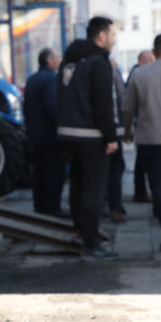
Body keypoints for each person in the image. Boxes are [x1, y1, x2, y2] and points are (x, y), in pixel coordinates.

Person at [57, 17, 123, 259]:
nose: (114, 41)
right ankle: (92, 244)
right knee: (94, 190)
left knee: (77, 185)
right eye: (113, 35)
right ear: (102, 36)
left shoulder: (68, 62)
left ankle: (80, 232)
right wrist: (111, 137)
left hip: (68, 134)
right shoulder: (100, 64)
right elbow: (103, 105)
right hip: (91, 136)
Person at [122, 33, 161, 251]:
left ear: (154, 50)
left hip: (150, 138)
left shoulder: (140, 74)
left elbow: (128, 107)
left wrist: (128, 130)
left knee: (159, 186)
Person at [23, 47, 65, 216]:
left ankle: (39, 206)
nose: (59, 60)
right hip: (50, 137)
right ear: (49, 60)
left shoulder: (32, 79)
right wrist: (61, 128)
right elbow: (52, 107)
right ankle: (52, 208)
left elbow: (26, 107)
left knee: (39, 173)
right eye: (57, 57)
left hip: (35, 136)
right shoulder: (51, 80)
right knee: (53, 174)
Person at [128, 50, 154, 204]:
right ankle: (141, 191)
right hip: (142, 123)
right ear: (142, 60)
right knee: (142, 160)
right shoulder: (138, 74)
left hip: (143, 123)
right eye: (150, 58)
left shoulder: (139, 73)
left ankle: (141, 190)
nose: (153, 61)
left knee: (141, 159)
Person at [104, 58, 129, 223]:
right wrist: (125, 128)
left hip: (94, 132)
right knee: (115, 168)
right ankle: (114, 206)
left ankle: (106, 204)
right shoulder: (109, 71)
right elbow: (121, 99)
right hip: (111, 130)